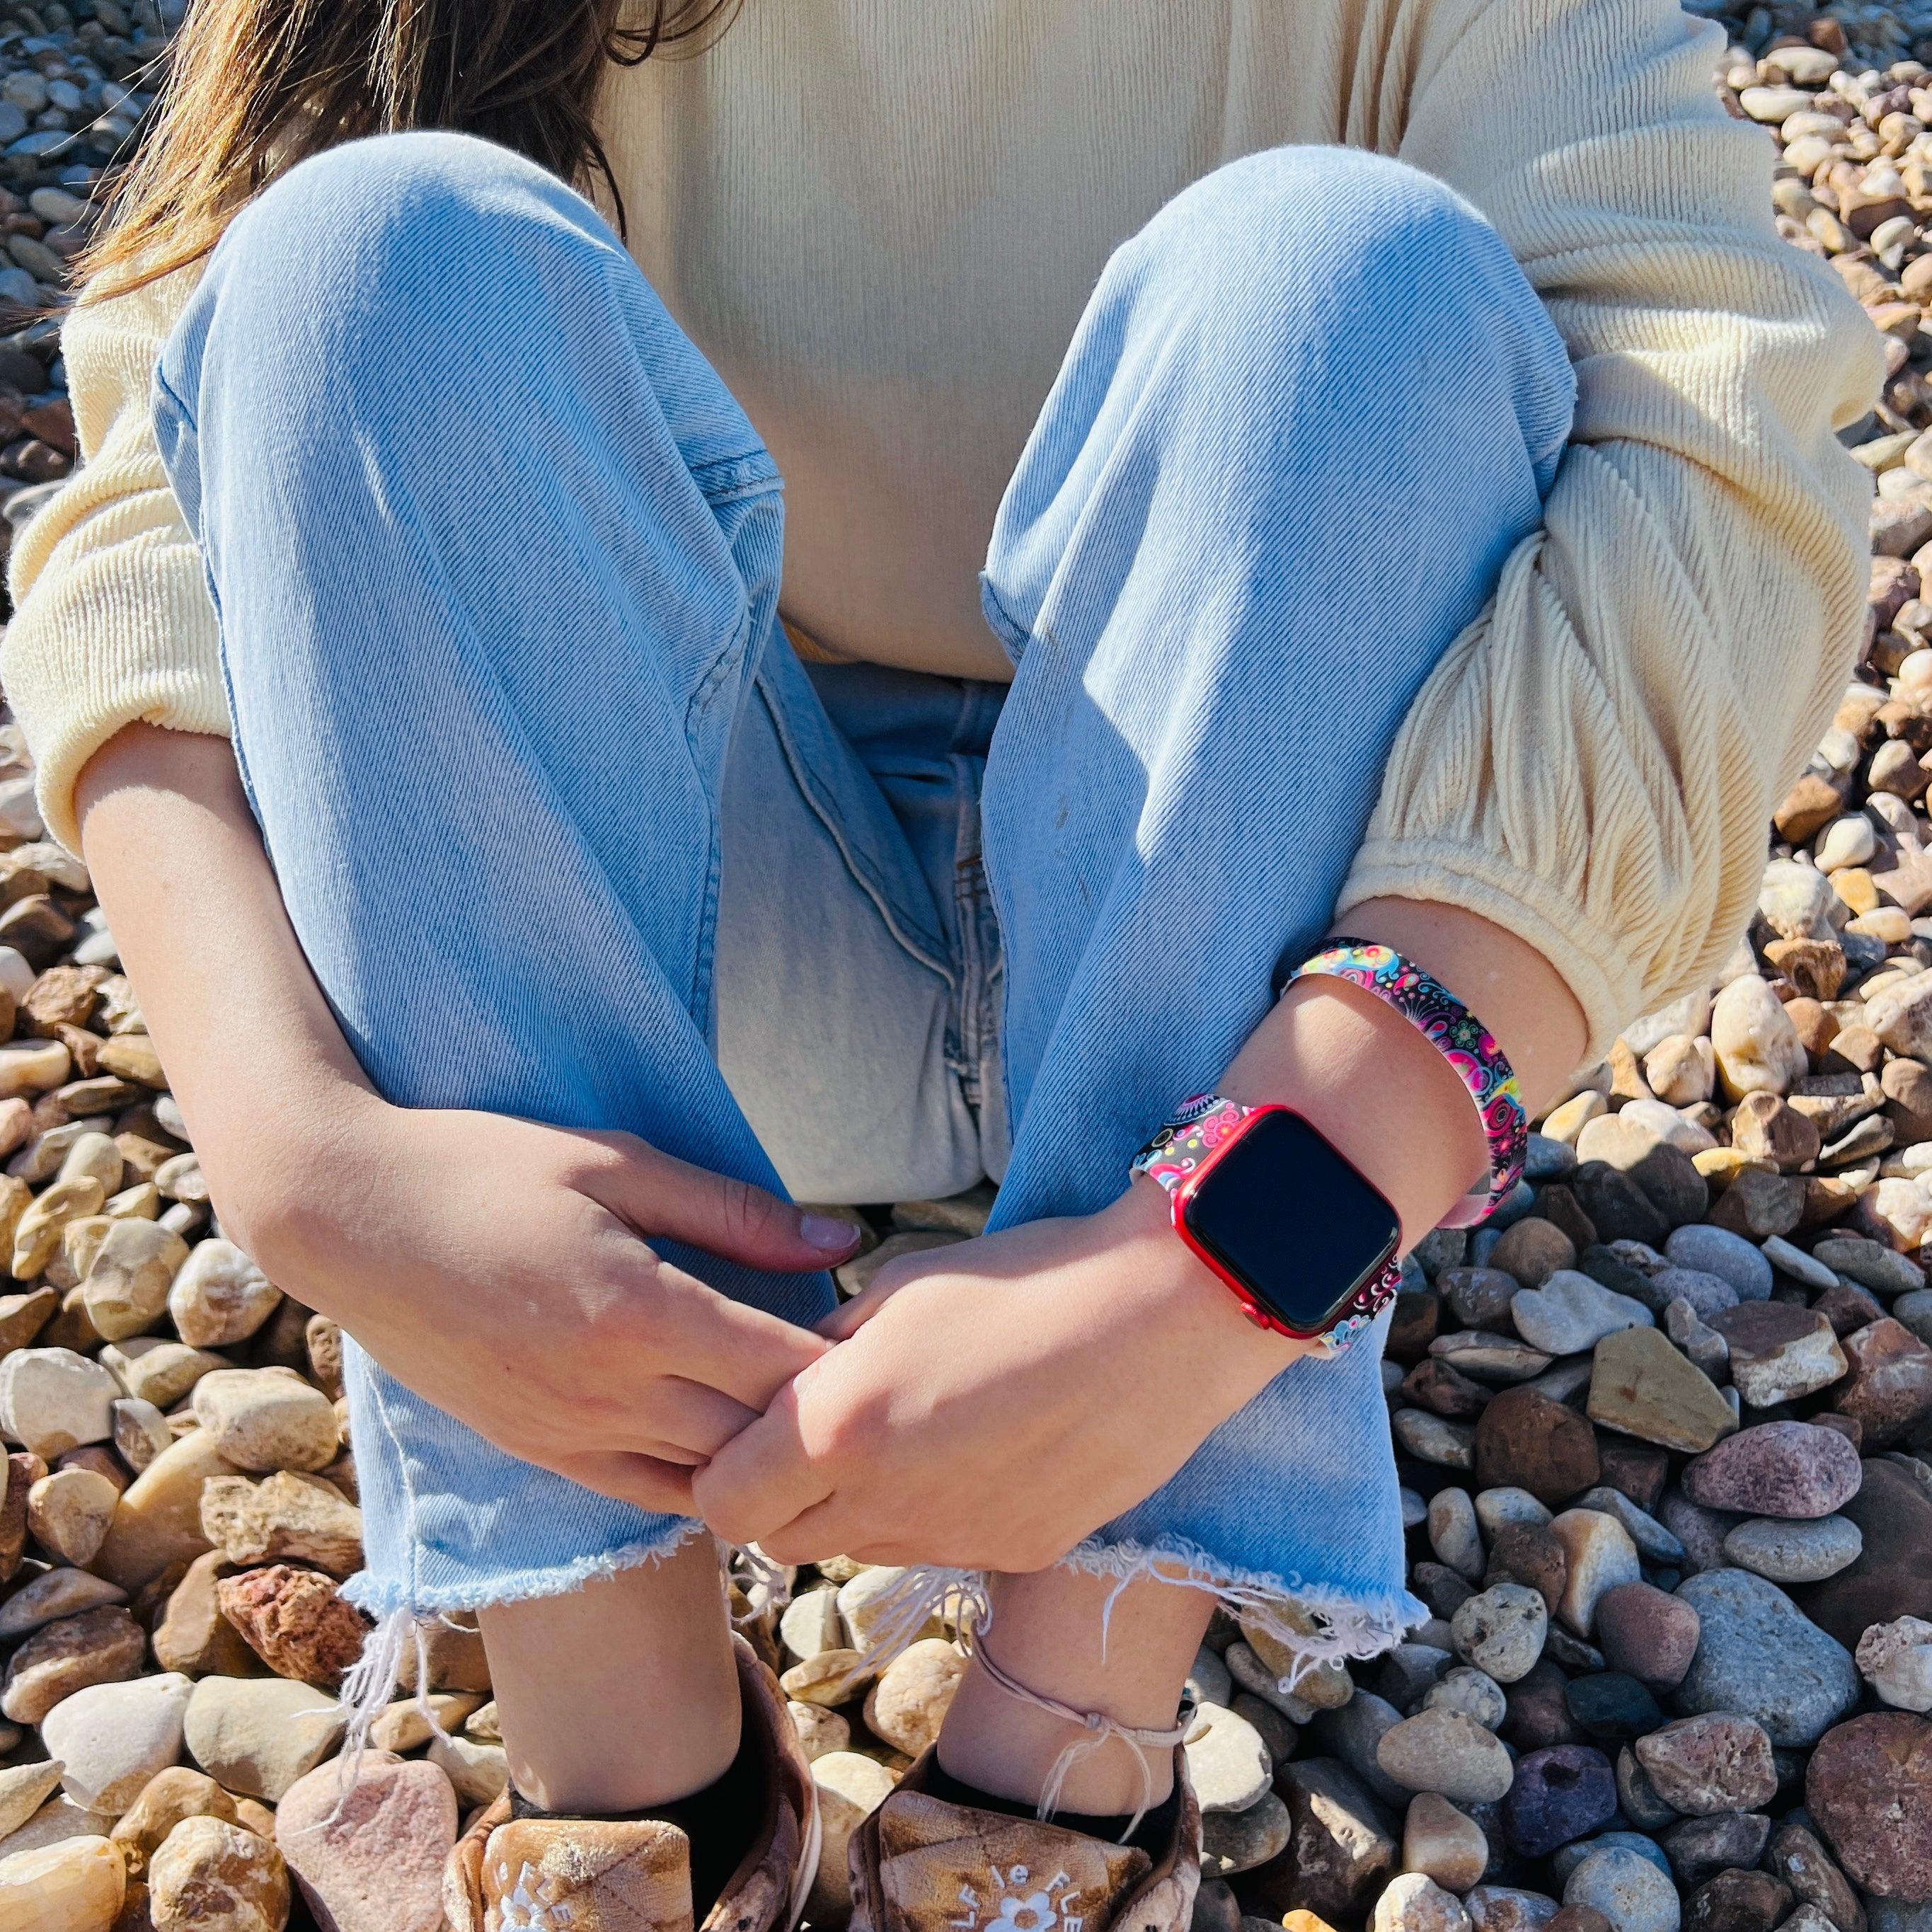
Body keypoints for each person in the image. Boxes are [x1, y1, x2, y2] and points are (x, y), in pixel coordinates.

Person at [2, 0, 1880, 1923]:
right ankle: (628, 1744)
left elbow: (1720, 446)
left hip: (1268, 976)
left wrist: (1221, 1250)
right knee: (356, 265)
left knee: (1338, 285)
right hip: (688, 961)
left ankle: (1066, 1748)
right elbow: (171, 476)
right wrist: (287, 1139)